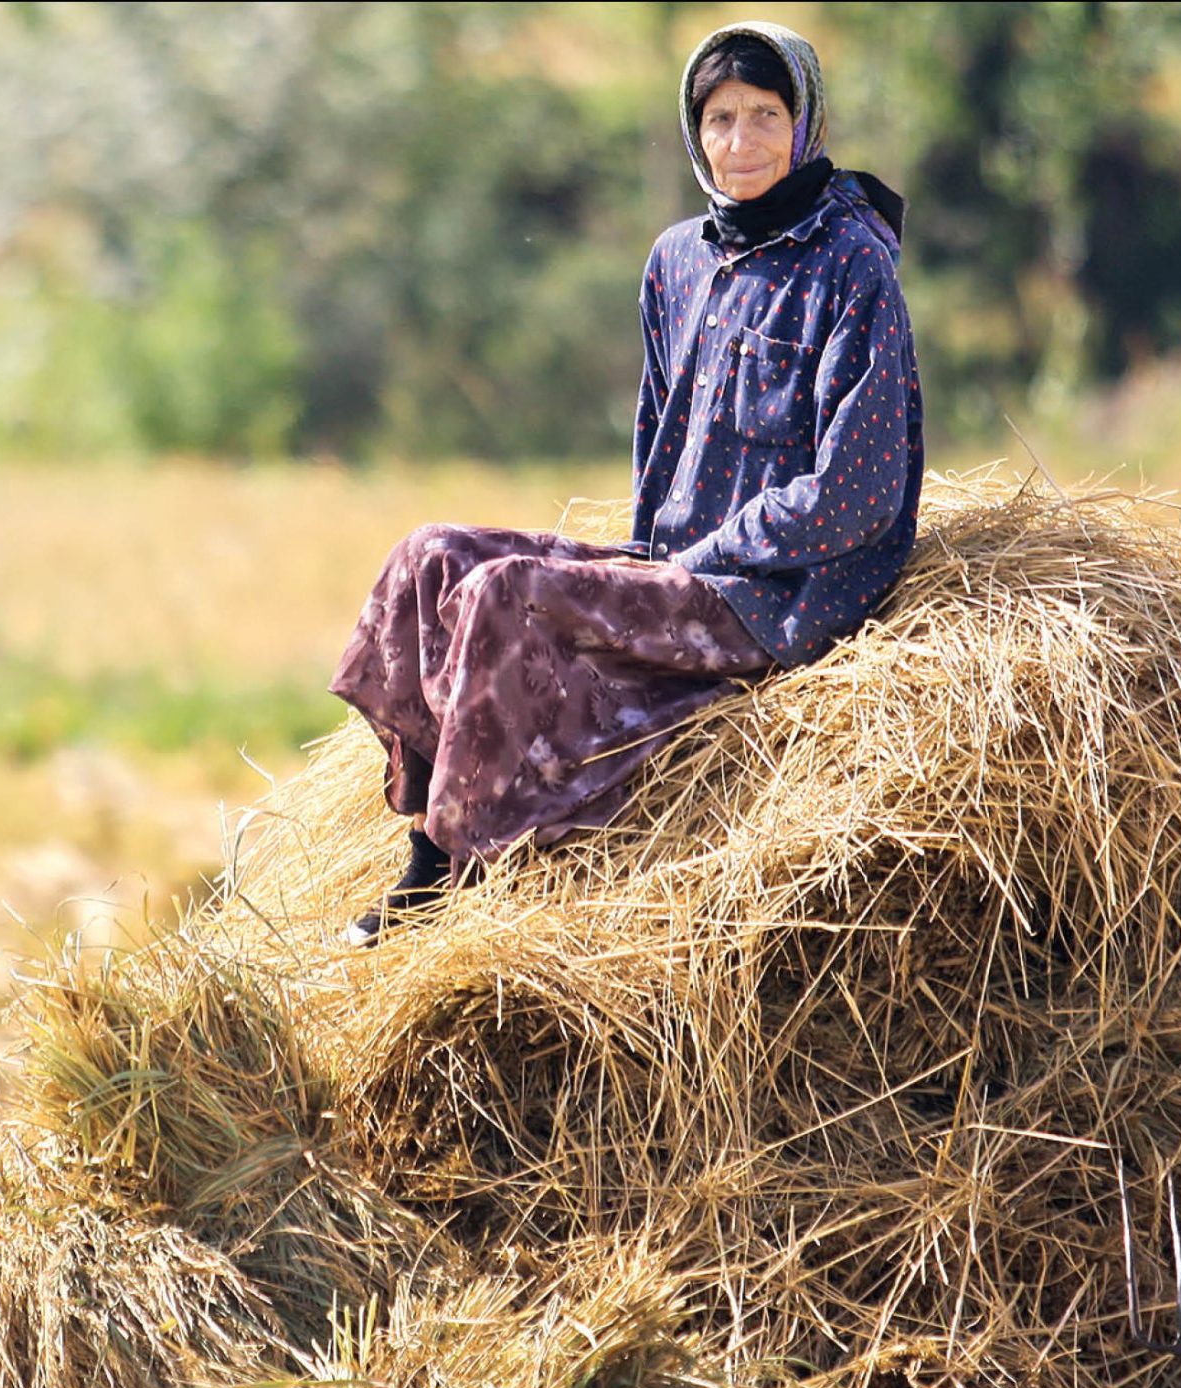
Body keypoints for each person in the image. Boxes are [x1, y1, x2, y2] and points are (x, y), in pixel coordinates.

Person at [330, 20, 921, 946]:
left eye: (765, 116)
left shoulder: (852, 263)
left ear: (804, 123)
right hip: (673, 564)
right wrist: (642, 563)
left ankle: (446, 867)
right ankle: (428, 818)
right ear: (696, 134)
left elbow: (860, 490)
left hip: (771, 597)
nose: (741, 144)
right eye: (719, 120)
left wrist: (711, 556)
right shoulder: (677, 258)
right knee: (429, 558)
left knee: (505, 592)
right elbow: (658, 435)